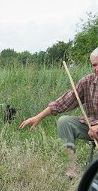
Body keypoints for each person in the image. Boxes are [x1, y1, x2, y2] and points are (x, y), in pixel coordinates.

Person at [20, 47, 98, 179]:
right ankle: (71, 168)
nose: (96, 69)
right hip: (91, 128)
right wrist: (38, 117)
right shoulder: (88, 81)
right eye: (94, 65)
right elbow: (64, 102)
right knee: (64, 121)